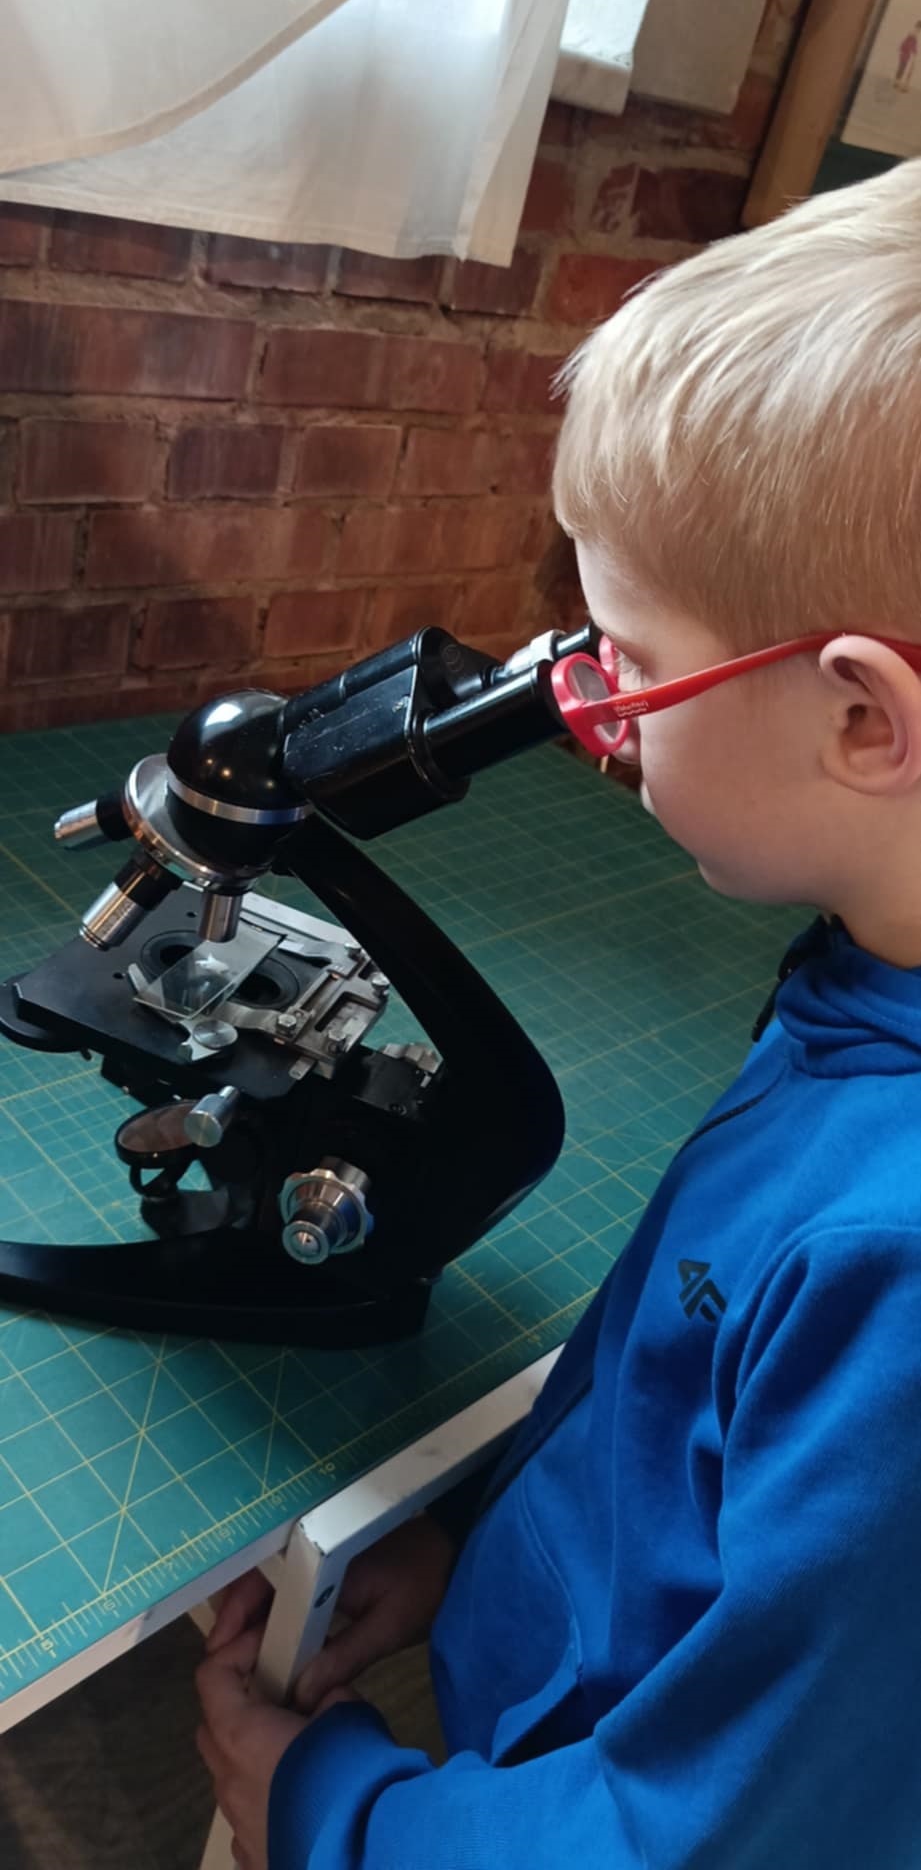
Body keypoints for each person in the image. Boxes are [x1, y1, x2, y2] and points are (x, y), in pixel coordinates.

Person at [196, 157, 921, 1870]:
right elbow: (696, 1436)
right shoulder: (865, 972)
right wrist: (485, 1543)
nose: (590, 705)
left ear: (862, 723)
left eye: (627, 660)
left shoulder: (894, 1269)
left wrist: (329, 1816)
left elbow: (715, 1837)